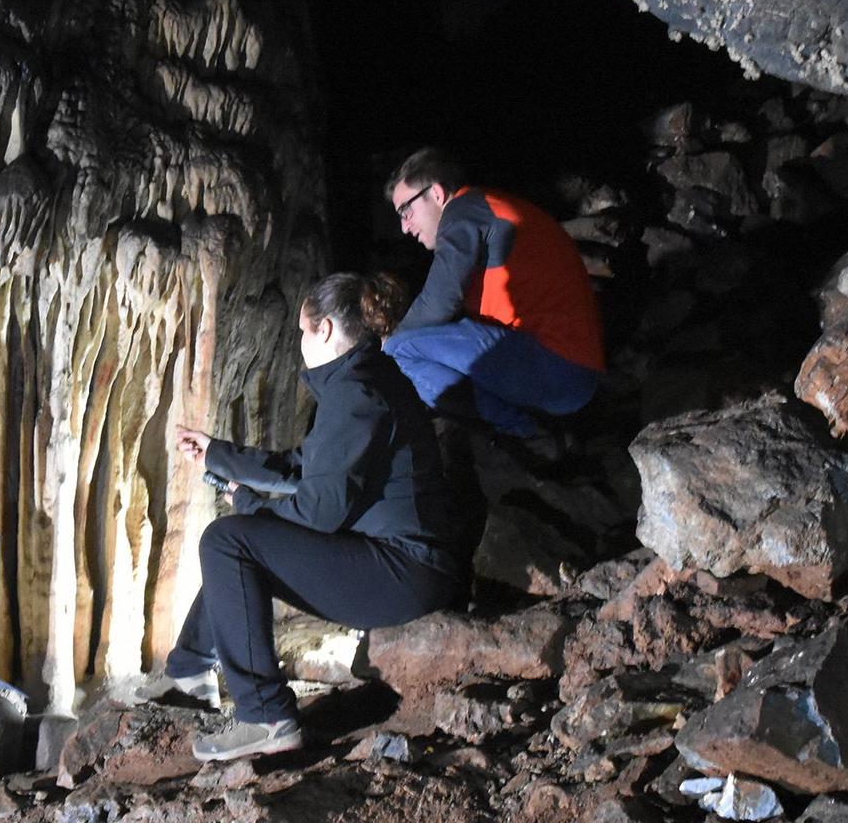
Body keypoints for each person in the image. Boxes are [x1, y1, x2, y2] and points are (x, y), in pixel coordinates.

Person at [166, 273, 468, 764]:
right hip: (409, 564)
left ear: (324, 329)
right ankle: (189, 670)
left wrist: (247, 505)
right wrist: (218, 455)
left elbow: (317, 514)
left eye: (302, 331)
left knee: (228, 542)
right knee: (238, 542)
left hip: (405, 574)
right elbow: (303, 466)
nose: (300, 342)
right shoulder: (366, 380)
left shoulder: (356, 395)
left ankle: (266, 716)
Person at [383, 147, 605, 436]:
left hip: (555, 367)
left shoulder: (462, 211)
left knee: (402, 350)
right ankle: (523, 424)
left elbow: (438, 301)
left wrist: (386, 345)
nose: (404, 226)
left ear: (436, 193)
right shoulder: (487, 207)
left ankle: (519, 430)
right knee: (433, 340)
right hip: (570, 371)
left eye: (406, 210)